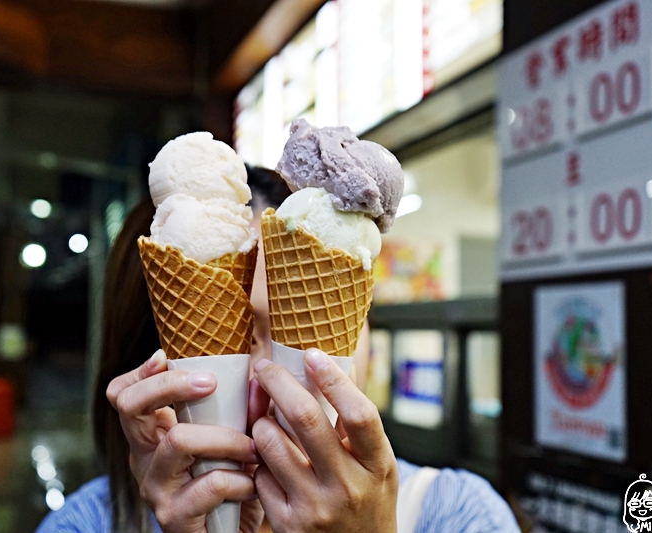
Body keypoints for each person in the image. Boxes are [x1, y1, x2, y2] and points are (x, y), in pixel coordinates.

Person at [36, 166, 520, 533]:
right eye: (238, 341)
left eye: (299, 333)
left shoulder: (459, 514)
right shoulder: (82, 523)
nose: (271, 376)